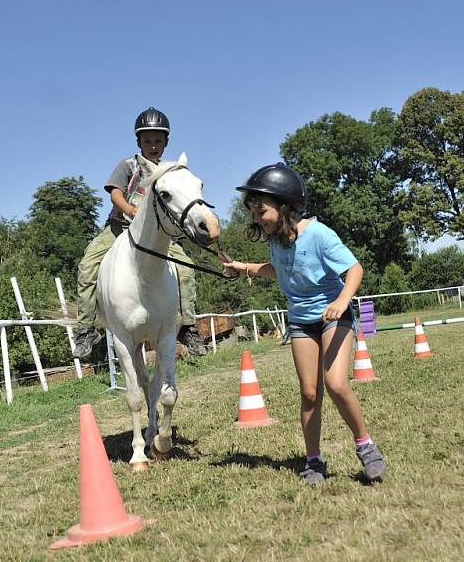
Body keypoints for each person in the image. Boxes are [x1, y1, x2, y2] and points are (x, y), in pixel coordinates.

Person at [223, 164, 387, 484]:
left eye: (261, 211)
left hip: (334, 316)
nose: (256, 218)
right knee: (310, 393)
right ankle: (313, 461)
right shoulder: (276, 238)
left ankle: (365, 446)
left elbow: (354, 269)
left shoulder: (320, 234)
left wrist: (341, 302)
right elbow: (281, 270)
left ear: (284, 206)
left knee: (336, 383)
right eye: (253, 212)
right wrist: (245, 268)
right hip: (300, 321)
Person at [72, 107, 207, 358]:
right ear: (139, 142)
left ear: (166, 142)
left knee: (186, 268)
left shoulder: (171, 170)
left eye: (158, 140)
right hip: (119, 227)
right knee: (87, 265)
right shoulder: (128, 165)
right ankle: (86, 328)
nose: (153, 145)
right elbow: (115, 193)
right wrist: (131, 210)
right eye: (147, 141)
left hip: (156, 234)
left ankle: (187, 326)